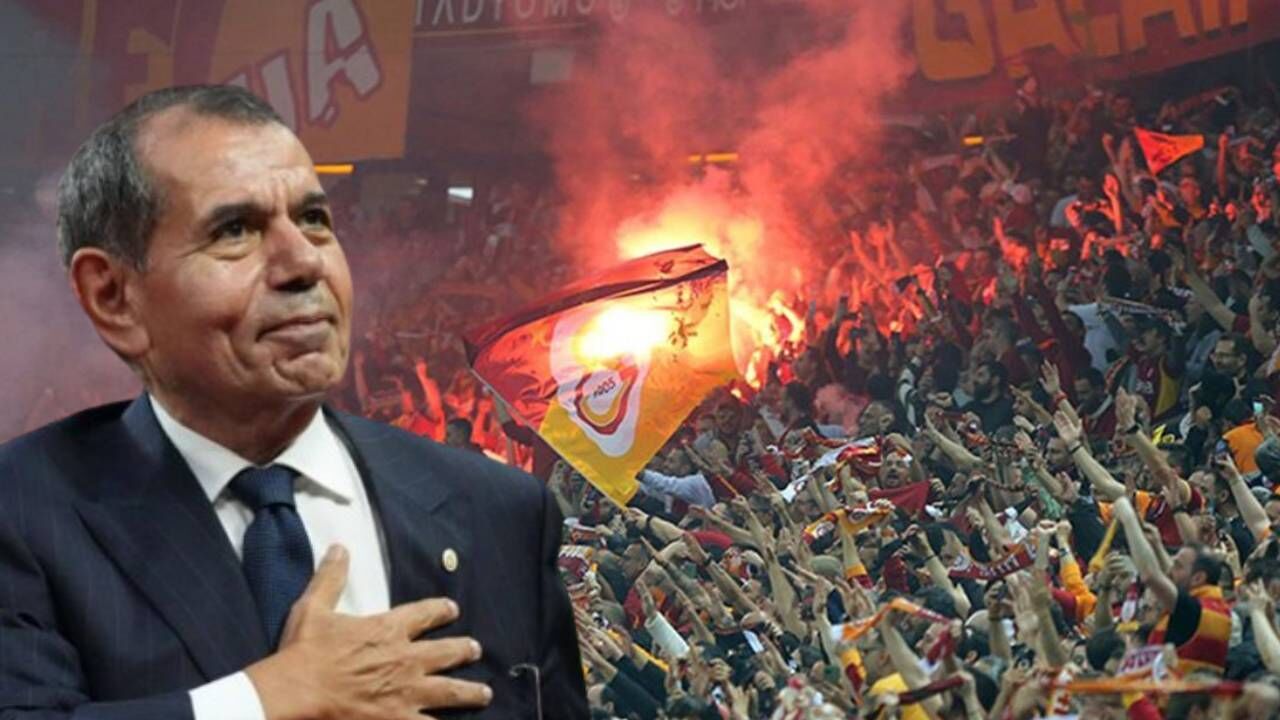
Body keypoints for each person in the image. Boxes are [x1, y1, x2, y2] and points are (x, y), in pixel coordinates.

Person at [0, 86, 587, 719]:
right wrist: (267, 700)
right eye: (235, 230)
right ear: (113, 297)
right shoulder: (23, 512)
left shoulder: (499, 512)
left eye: (314, 219)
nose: (304, 261)